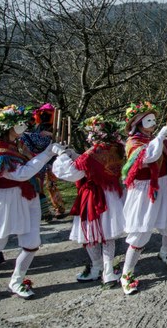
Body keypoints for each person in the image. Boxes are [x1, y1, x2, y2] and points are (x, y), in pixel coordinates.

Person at [0, 105, 59, 303]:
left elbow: (29, 168)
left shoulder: (17, 144)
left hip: (26, 198)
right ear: (7, 127)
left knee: (32, 242)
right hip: (3, 200)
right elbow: (21, 174)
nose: (24, 127)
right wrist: (47, 154)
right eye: (19, 124)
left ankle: (17, 280)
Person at [52, 115, 126, 287]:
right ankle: (107, 271)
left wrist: (62, 154)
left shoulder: (92, 153)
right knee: (108, 235)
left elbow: (72, 173)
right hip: (112, 195)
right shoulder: (116, 149)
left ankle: (97, 267)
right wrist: (73, 154)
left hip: (93, 196)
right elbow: (89, 165)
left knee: (90, 234)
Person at [119, 101, 167, 295]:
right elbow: (149, 157)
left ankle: (164, 252)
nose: (153, 123)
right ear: (138, 123)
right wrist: (163, 135)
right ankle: (126, 274)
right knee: (140, 233)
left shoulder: (154, 138)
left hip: (164, 185)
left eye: (154, 120)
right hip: (144, 190)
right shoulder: (133, 143)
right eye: (149, 120)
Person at [32, 103, 67, 221]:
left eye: (47, 114)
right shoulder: (37, 127)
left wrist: (50, 134)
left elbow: (63, 140)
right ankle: (45, 211)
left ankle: (59, 208)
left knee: (52, 185)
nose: (44, 116)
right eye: (42, 114)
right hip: (40, 158)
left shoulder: (57, 126)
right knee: (39, 185)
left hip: (53, 159)